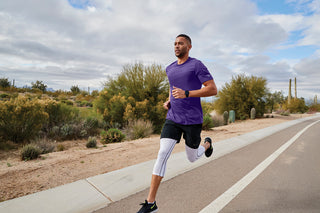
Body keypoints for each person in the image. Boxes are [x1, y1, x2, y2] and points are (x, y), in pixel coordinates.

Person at [137, 34, 218, 213]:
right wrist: (169, 101)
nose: (176, 46)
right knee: (162, 153)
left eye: (180, 43)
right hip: (173, 118)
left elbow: (212, 89)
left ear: (189, 46)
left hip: (192, 120)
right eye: (174, 43)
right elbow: (172, 87)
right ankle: (151, 203)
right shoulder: (170, 68)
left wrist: (188, 94)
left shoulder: (196, 65)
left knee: (192, 158)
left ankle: (207, 144)